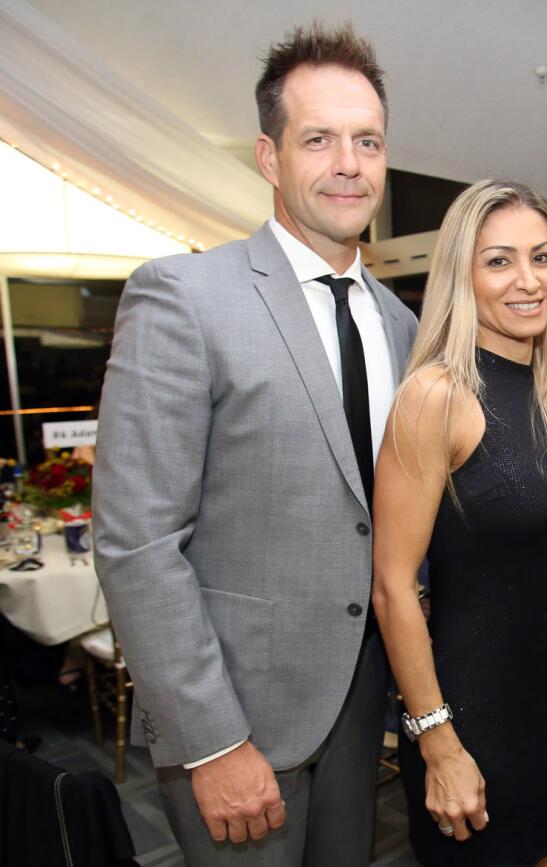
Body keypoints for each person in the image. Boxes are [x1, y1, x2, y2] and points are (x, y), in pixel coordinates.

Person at [93, 23, 417, 864]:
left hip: (360, 711)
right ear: (270, 157)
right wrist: (210, 739)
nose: (349, 163)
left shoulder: (402, 325)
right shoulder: (184, 296)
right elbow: (135, 542)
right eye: (320, 139)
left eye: (367, 140)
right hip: (236, 727)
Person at [372, 179, 547, 867]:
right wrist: (438, 742)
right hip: (466, 717)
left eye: (542, 256)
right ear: (462, 276)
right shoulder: (436, 397)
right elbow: (391, 586)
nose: (527, 280)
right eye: (499, 260)